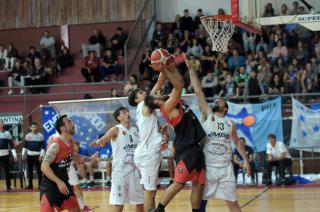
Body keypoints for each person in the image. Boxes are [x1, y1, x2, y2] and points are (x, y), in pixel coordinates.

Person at [186, 56, 251, 212]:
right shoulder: (209, 114)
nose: (217, 100)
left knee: (233, 203)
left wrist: (246, 161)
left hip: (226, 168)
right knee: (200, 202)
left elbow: (237, 143)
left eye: (220, 100)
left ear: (226, 108)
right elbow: (198, 91)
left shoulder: (230, 123)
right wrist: (190, 70)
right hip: (208, 167)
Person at [144, 62, 206, 212]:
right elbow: (178, 86)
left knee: (199, 185)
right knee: (179, 183)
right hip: (186, 148)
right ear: (156, 101)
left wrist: (171, 66)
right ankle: (159, 209)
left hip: (195, 147)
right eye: (157, 93)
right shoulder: (167, 106)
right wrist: (165, 70)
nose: (159, 91)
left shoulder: (170, 99)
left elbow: (180, 82)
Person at [91, 107, 144, 212]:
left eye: (128, 112)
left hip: (135, 171)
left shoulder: (135, 130)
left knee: (139, 203)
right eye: (124, 113)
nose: (128, 113)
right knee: (119, 204)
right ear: (119, 117)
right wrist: (98, 142)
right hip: (120, 172)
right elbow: (105, 138)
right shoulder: (116, 129)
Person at [128, 74, 167, 211]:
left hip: (147, 153)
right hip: (148, 154)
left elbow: (157, 86)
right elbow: (158, 85)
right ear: (136, 99)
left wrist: (159, 131)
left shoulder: (143, 107)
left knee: (152, 190)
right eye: (140, 92)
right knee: (150, 192)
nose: (144, 92)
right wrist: (162, 72)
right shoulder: (144, 105)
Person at [40, 115, 80, 212]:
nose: (73, 124)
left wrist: (90, 158)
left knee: (76, 210)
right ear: (62, 128)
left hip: (64, 184)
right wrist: (58, 182)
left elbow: (74, 156)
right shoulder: (56, 145)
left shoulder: (70, 142)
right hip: (50, 187)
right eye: (69, 122)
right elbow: (44, 166)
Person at [22, 122, 45, 189]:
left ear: (37, 128)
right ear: (30, 128)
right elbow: (25, 146)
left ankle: (40, 185)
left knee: (39, 171)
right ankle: (30, 185)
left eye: (35, 127)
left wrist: (41, 156)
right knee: (29, 171)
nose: (34, 128)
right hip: (29, 156)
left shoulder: (41, 136)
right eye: (33, 127)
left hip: (38, 156)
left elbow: (43, 147)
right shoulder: (27, 136)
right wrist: (23, 154)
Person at [0, 119, 18, 192]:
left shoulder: (7, 133)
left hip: (5, 155)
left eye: (1, 123)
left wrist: (15, 155)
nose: (0, 124)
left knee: (7, 171)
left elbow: (12, 146)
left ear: (3, 124)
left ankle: (8, 187)